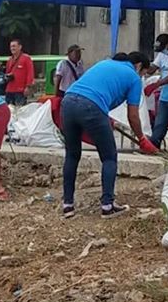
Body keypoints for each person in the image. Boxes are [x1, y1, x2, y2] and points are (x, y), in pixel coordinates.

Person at [57, 52, 158, 218]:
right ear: (139, 66)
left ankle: (68, 205)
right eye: (143, 73)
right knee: (109, 157)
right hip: (91, 107)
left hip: (68, 103)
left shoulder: (104, 64)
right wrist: (141, 138)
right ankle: (107, 205)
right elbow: (133, 115)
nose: (141, 76)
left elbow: (94, 90)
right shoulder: (134, 77)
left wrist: (104, 116)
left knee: (72, 155)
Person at [4, 38, 34, 105]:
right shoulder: (10, 60)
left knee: (20, 109)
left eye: (14, 46)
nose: (12, 48)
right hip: (9, 89)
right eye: (11, 46)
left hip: (20, 90)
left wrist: (28, 87)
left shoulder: (26, 58)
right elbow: (7, 73)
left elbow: (30, 73)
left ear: (20, 47)